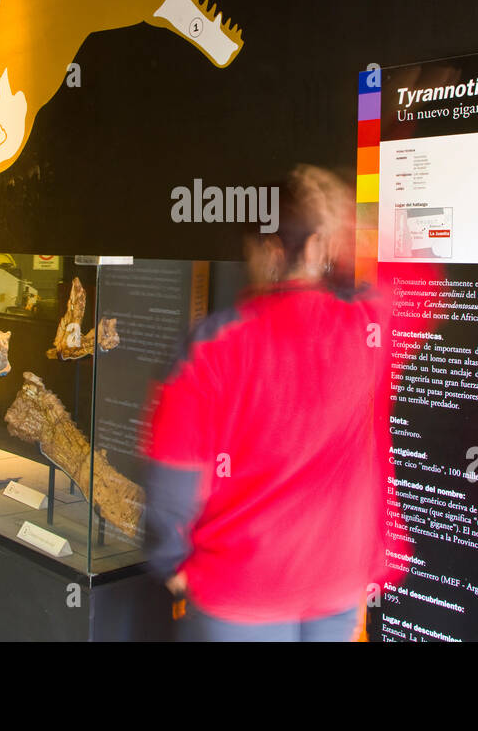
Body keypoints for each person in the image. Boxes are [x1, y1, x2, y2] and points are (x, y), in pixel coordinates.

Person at [142, 165, 404, 640]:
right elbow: (416, 278)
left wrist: (170, 560)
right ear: (319, 246)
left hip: (239, 592)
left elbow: (173, 475)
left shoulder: (214, 344)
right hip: (336, 584)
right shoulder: (367, 329)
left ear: (270, 250)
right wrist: (342, 230)